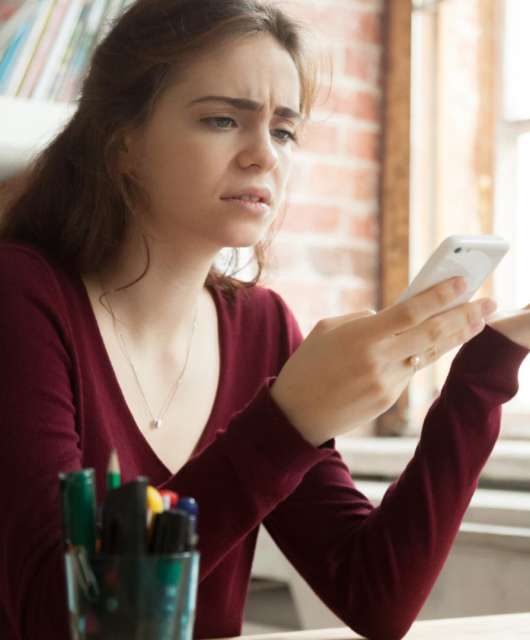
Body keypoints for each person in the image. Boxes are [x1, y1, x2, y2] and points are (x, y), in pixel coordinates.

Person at [0, 1, 529, 639]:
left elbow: (374, 593)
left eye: (283, 130)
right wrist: (288, 423)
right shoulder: (21, 295)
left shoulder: (262, 327)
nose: (263, 157)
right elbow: (58, 619)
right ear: (123, 145)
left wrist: (486, 368)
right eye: (223, 119)